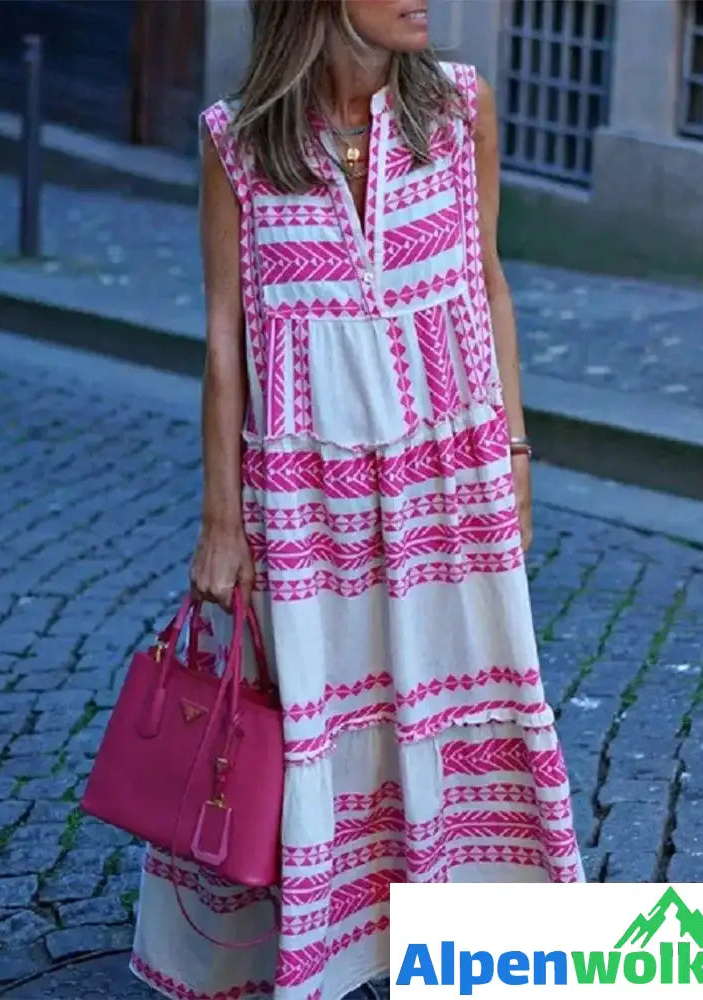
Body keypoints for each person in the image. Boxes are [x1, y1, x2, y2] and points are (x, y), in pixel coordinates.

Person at [130, 2, 584, 998]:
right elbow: (223, 344)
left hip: (445, 485)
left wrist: (512, 448)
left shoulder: (462, 113)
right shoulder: (237, 144)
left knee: (462, 708)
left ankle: (470, 953)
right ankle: (324, 962)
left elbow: (488, 282)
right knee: (318, 735)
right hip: (308, 503)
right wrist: (221, 523)